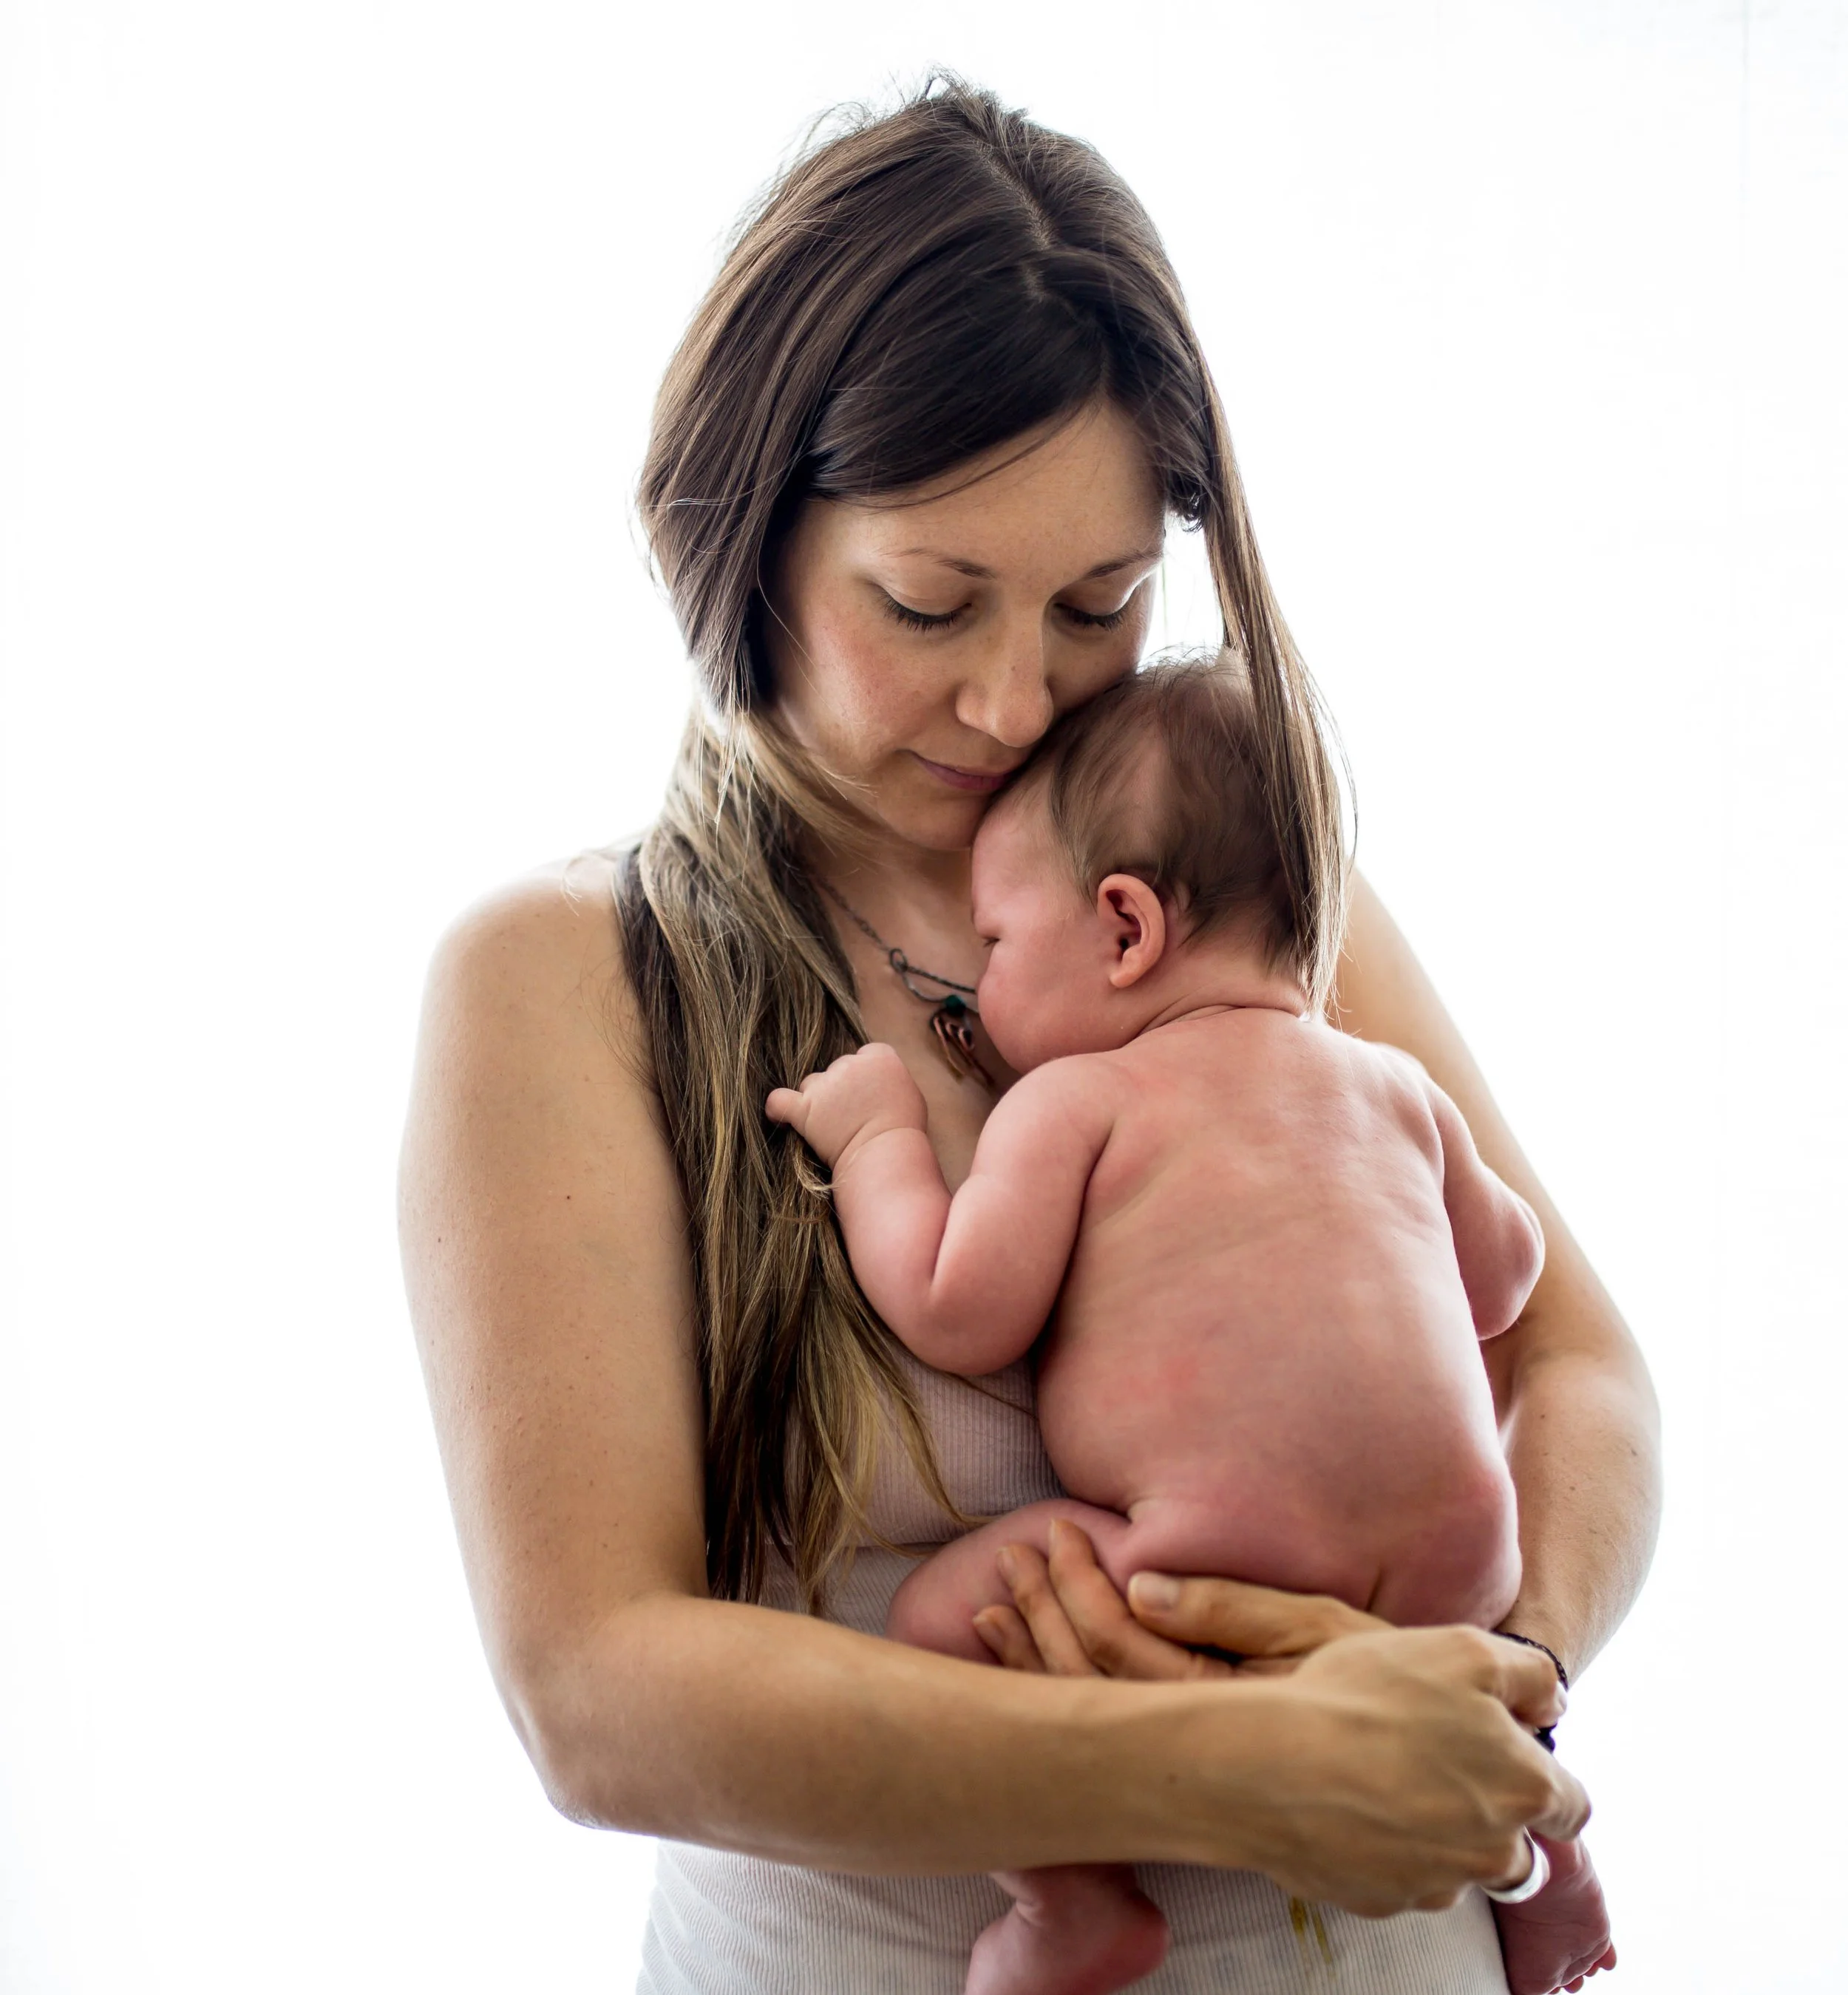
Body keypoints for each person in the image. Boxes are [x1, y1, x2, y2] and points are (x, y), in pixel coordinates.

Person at [398, 80, 1660, 1994]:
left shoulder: (1226, 893)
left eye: (1099, 603)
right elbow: (597, 1689)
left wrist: (1503, 1677)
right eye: (925, 602)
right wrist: (1235, 1765)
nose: (1012, 698)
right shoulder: (567, 978)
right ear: (743, 546)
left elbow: (1575, 1368)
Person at [767, 653, 1616, 1995]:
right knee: (1454, 1716)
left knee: (942, 1621)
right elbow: (1507, 1278)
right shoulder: (1390, 1086)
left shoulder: (1079, 1102)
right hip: (1461, 1572)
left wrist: (878, 1135)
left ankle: (1077, 1904)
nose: (981, 983)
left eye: (995, 943)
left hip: (1214, 1559)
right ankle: (1547, 1865)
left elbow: (954, 1308)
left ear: (1124, 929)